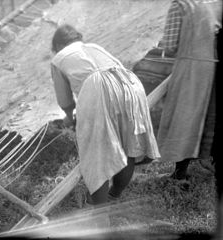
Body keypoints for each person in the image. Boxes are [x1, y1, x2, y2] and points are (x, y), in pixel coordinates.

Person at [50, 24, 160, 205]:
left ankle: (99, 210)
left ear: (58, 46)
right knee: (128, 146)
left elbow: (65, 101)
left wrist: (70, 118)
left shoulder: (59, 58)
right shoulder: (94, 47)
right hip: (130, 83)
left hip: (100, 87)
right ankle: (113, 195)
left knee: (96, 155)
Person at [156, 0, 221, 180]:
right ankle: (203, 167)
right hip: (212, 66)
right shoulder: (212, 3)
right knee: (208, 120)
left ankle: (180, 173)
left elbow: (170, 46)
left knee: (184, 121)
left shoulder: (180, 5)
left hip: (191, 68)